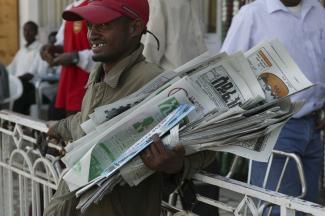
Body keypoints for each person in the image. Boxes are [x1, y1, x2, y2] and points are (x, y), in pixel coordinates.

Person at [43, 0, 215, 215]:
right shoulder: (99, 75)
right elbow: (86, 123)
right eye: (90, 25)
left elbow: (207, 147)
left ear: (134, 28)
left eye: (103, 25)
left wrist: (176, 165)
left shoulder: (154, 82)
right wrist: (58, 127)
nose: (92, 34)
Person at [221, 0, 325, 215]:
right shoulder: (252, 14)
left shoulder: (317, 11)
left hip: (313, 126)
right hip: (277, 126)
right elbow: (227, 70)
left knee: (309, 208)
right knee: (277, 209)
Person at [42, 0, 96, 117]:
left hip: (90, 78)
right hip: (69, 78)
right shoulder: (69, 9)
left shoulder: (96, 4)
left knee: (84, 122)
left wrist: (76, 57)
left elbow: (106, 49)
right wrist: (52, 50)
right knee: (68, 122)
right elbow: (63, 42)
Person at [142, 0, 207, 70]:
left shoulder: (196, 2)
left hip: (198, 70)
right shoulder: (161, 1)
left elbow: (198, 35)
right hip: (174, 74)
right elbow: (152, 45)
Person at [7, 21, 49, 115]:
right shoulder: (21, 51)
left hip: (33, 87)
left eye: (30, 30)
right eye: (25, 30)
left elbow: (31, 74)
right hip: (19, 85)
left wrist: (16, 80)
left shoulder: (40, 49)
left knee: (21, 89)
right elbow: (11, 68)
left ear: (36, 32)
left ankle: (14, 121)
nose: (27, 33)